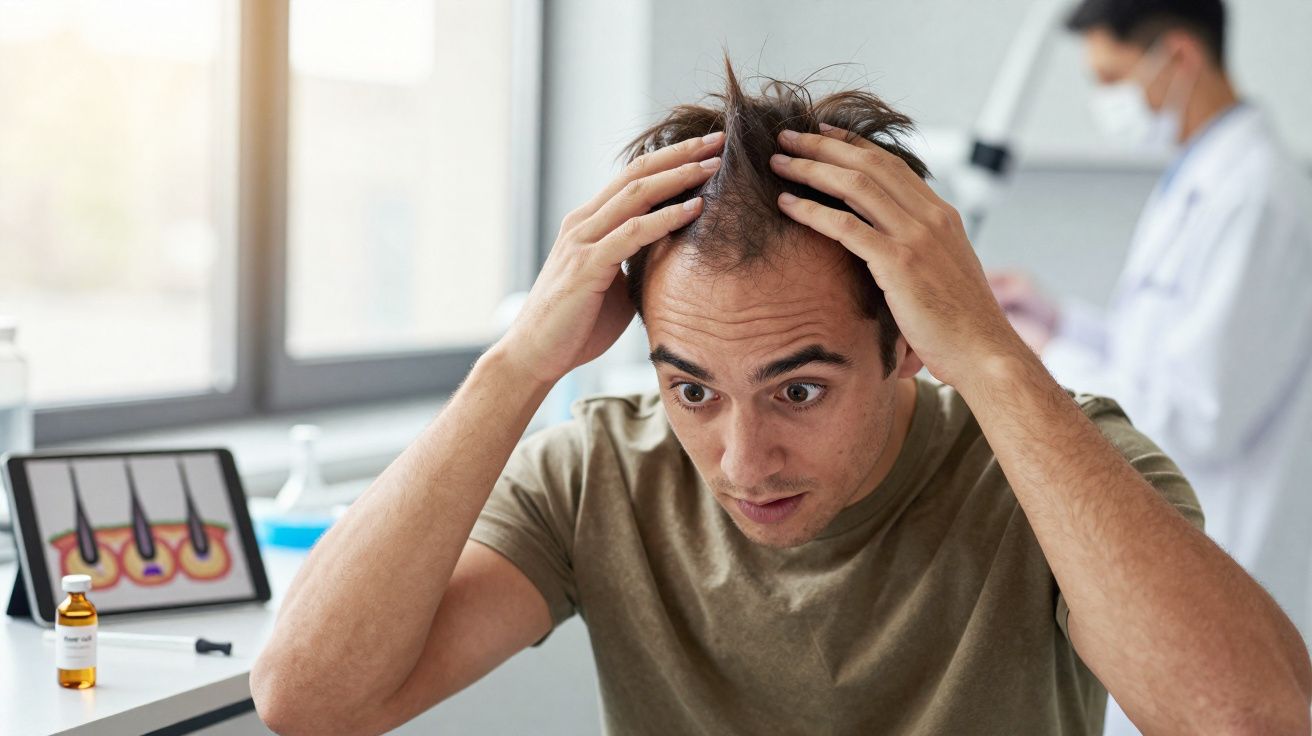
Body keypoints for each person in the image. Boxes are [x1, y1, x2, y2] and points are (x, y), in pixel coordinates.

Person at [251, 62, 1311, 735]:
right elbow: (308, 699)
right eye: (692, 388)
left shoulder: (1051, 466)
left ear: (905, 340)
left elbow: (1255, 721)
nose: (741, 459)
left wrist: (989, 352)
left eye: (797, 387)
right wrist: (517, 362)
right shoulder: (601, 473)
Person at [991, 0, 1312, 652]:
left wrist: (1045, 354)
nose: (1105, 102)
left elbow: (1200, 414)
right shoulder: (1201, 174)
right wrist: (1064, 322)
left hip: (1227, 553)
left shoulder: (1254, 193)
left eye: (1113, 78)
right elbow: (1165, 354)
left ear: (1182, 57)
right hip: (1181, 545)